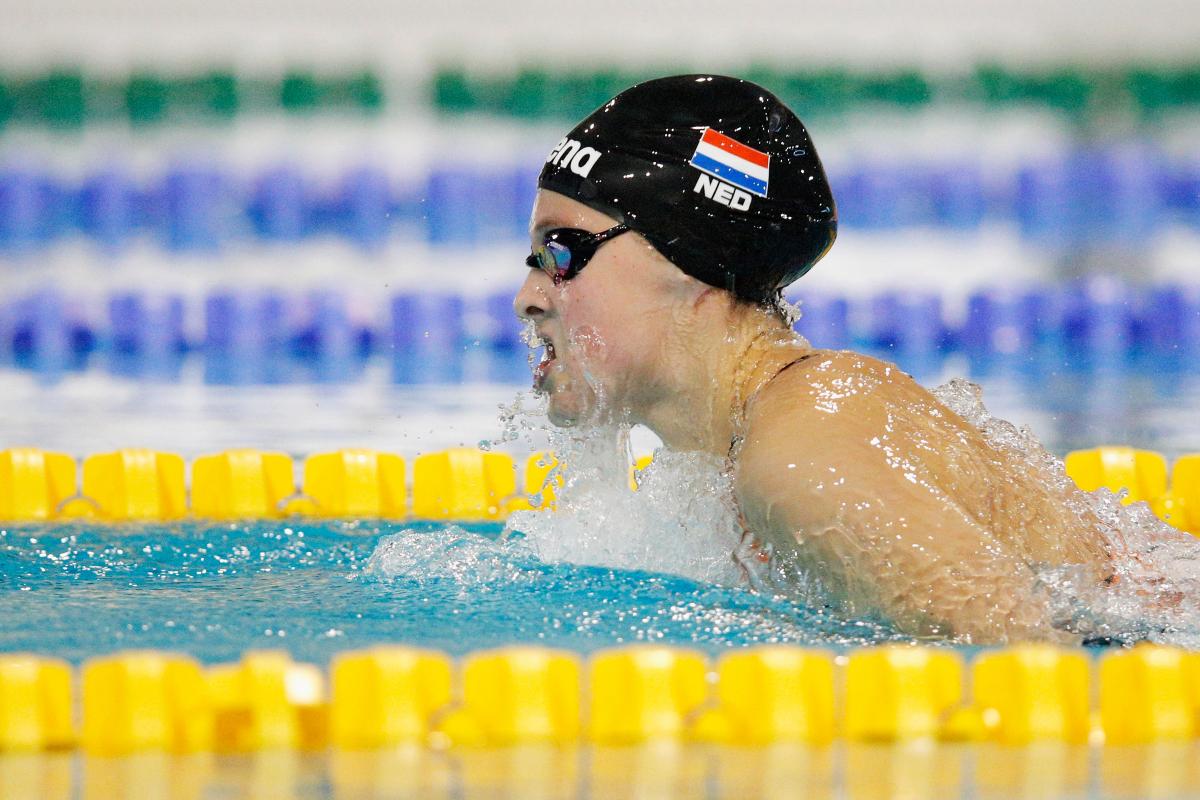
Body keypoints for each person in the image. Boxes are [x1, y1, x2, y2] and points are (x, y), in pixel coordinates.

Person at [512, 75, 1115, 644]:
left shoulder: (801, 458)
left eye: (560, 255)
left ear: (686, 262)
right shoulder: (750, 448)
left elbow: (1041, 667)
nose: (528, 299)